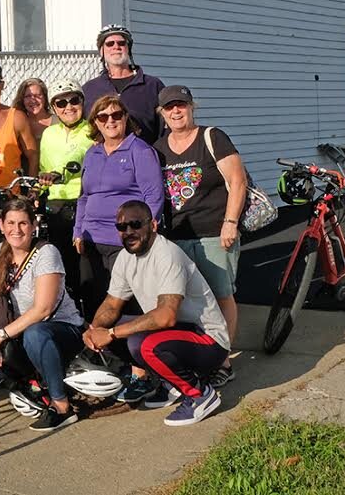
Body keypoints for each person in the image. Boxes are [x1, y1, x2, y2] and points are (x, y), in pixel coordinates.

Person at [83, 200, 230, 427]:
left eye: (135, 224)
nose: (129, 232)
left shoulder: (167, 254)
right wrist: (95, 331)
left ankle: (200, 395)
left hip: (208, 340)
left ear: (152, 225)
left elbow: (166, 316)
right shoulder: (125, 257)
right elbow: (112, 305)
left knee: (143, 344)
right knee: (119, 330)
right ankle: (171, 383)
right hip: (177, 334)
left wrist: (111, 333)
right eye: (122, 227)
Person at [153, 85, 247, 387]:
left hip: (214, 233)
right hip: (177, 237)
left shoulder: (212, 137)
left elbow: (237, 180)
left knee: (221, 297)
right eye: (170, 107)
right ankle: (196, 356)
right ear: (162, 113)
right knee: (188, 303)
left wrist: (230, 222)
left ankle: (222, 360)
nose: (176, 111)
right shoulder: (158, 148)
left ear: (192, 107)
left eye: (181, 105)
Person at [75, 93, 164, 402]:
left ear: (126, 118)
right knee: (96, 303)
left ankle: (141, 372)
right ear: (95, 123)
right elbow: (84, 196)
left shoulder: (140, 151)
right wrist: (78, 229)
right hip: (91, 240)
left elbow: (153, 197)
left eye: (116, 115)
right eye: (103, 117)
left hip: (124, 241)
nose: (110, 121)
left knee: (130, 306)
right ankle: (111, 366)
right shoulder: (93, 153)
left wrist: (143, 237)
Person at [0, 199, 86, 431]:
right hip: (20, 333)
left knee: (35, 334)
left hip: (60, 328)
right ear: (1, 225)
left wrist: (0, 336)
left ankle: (62, 407)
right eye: (11, 223)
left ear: (33, 225)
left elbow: (43, 309)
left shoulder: (46, 252)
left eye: (23, 223)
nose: (16, 230)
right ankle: (36, 383)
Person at [37, 79, 94, 293]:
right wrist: (38, 188)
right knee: (61, 264)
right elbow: (44, 166)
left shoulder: (91, 130)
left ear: (82, 102)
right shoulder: (49, 134)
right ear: (53, 108)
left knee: (84, 266)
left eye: (74, 100)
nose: (68, 107)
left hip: (81, 202)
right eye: (61, 103)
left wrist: (58, 172)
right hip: (55, 204)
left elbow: (80, 154)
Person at [81, 24, 166, 144]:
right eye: (110, 44)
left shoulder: (152, 85)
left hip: (144, 157)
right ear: (102, 51)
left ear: (128, 49)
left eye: (121, 43)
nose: (116, 47)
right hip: (104, 159)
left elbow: (165, 129)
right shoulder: (90, 89)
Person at [14, 78, 51, 143]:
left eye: (37, 95)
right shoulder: (17, 123)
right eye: (28, 96)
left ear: (45, 97)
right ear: (22, 100)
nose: (33, 100)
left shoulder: (59, 121)